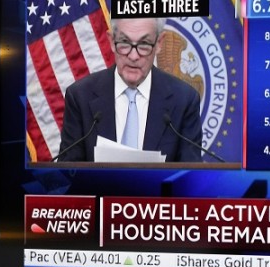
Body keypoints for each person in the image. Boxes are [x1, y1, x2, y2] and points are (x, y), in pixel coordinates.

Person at [57, 16, 204, 163]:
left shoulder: (184, 100)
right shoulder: (80, 96)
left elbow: (189, 176)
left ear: (159, 43)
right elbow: (68, 174)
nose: (133, 56)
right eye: (125, 43)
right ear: (111, 41)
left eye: (144, 44)